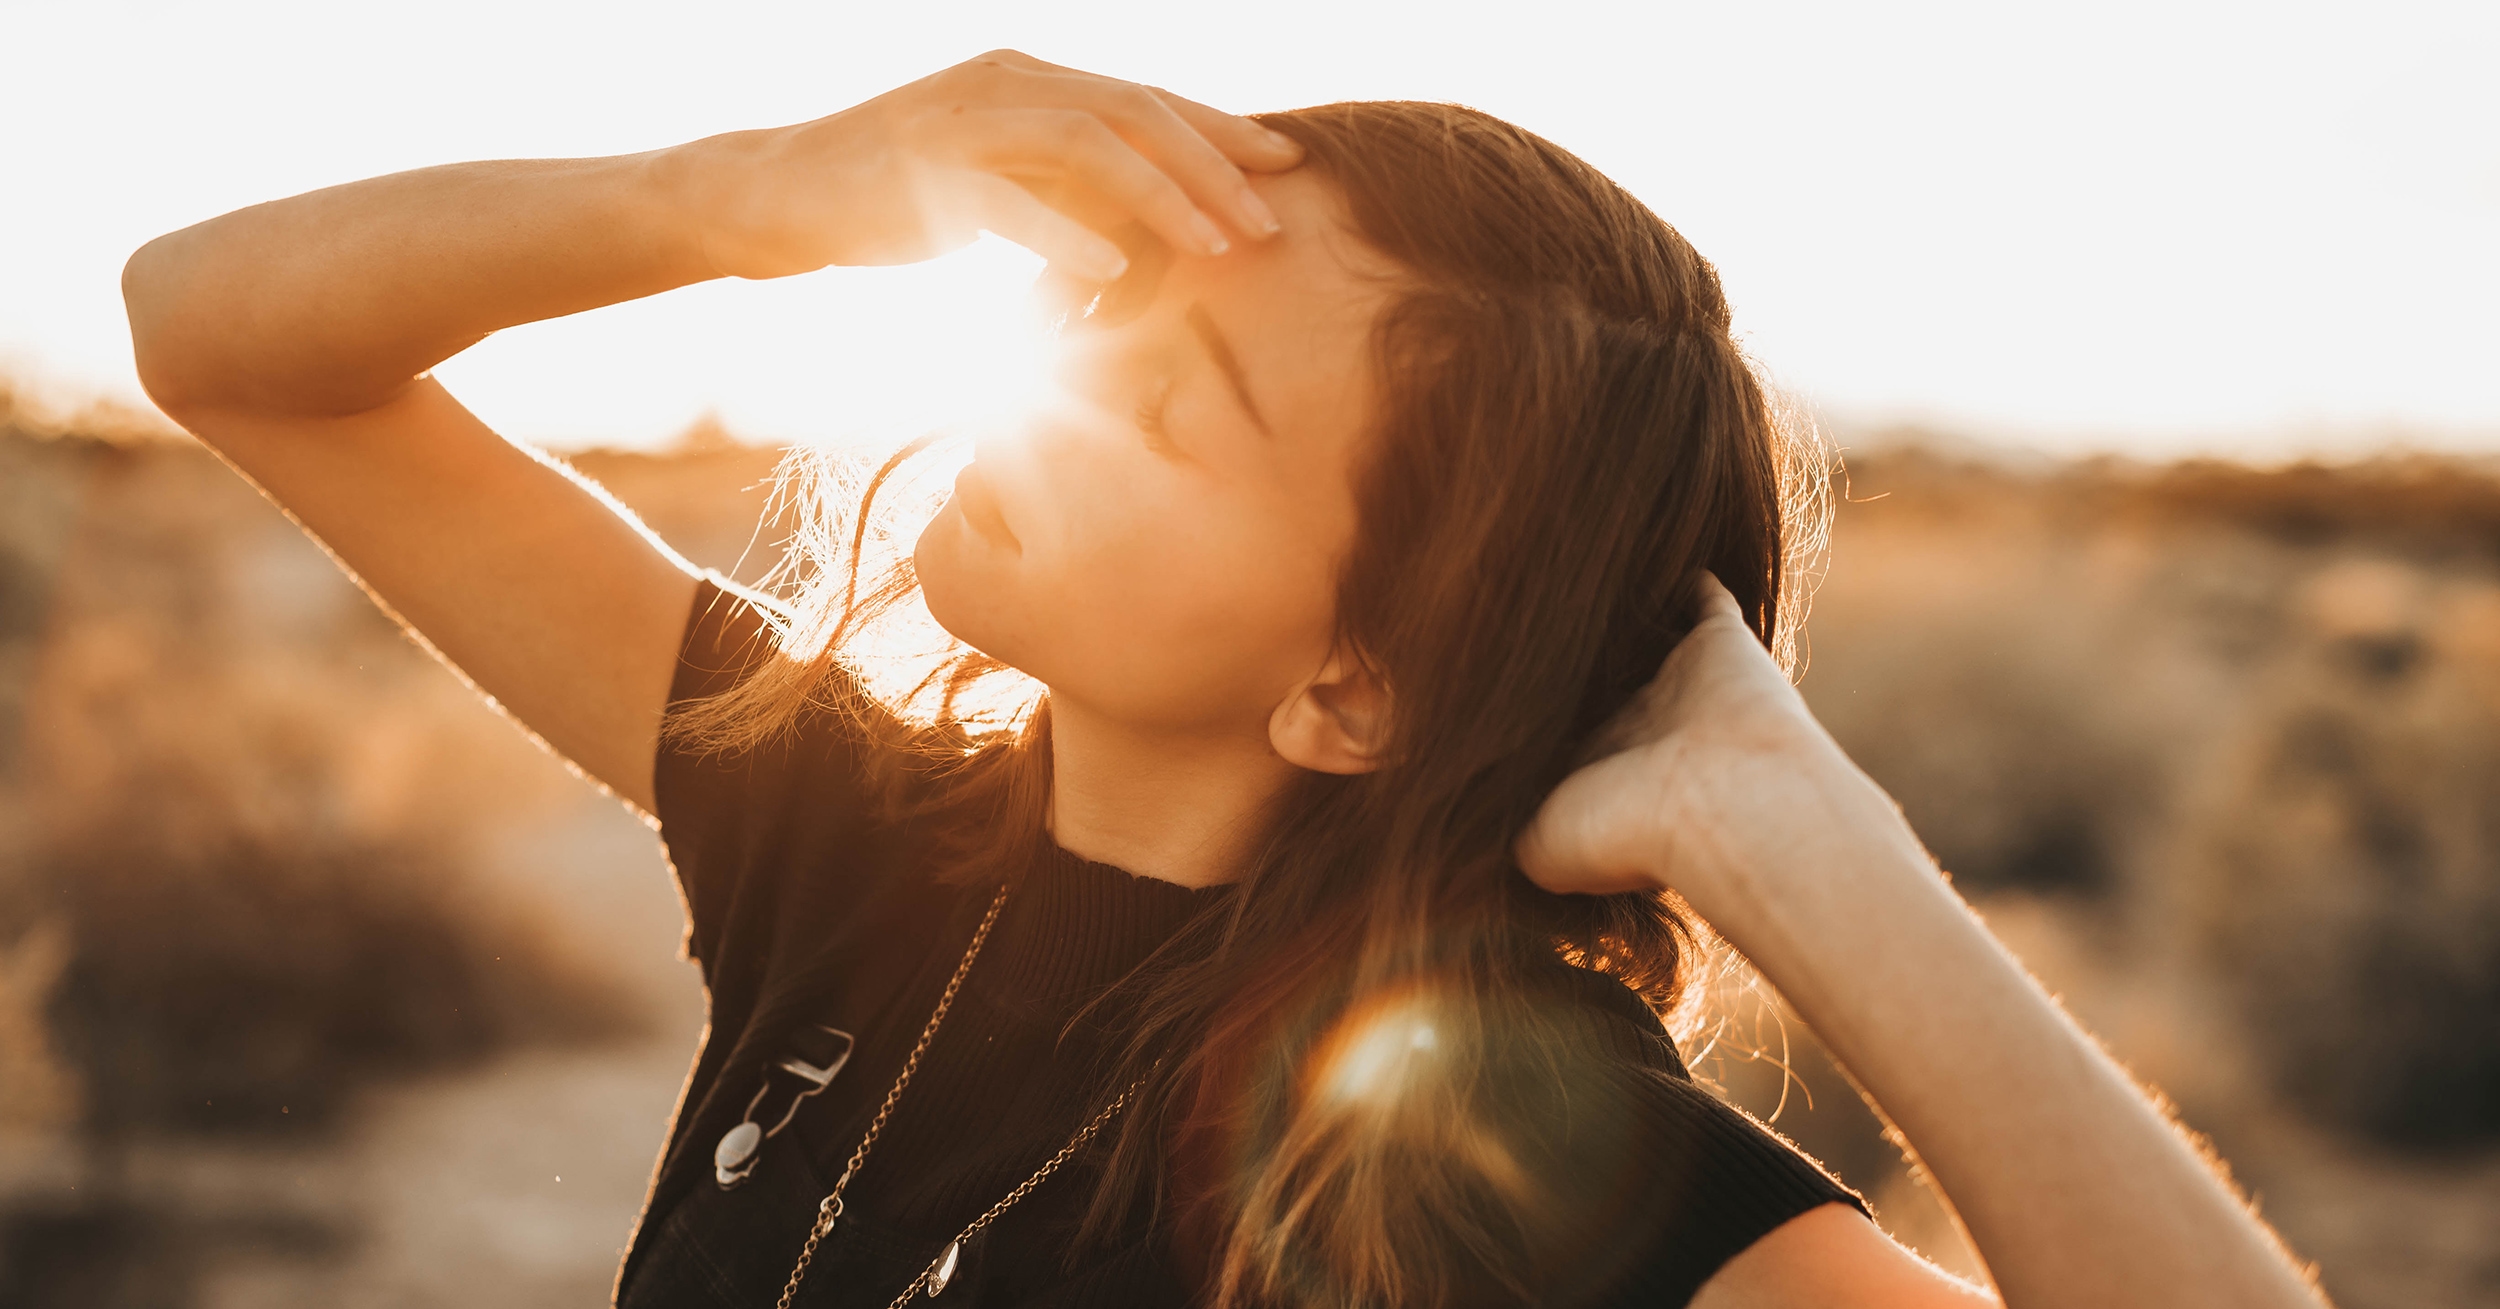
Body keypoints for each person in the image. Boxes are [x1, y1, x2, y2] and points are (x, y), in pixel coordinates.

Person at [122, 50, 2327, 1309]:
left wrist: (1807, 843)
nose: (1054, 389)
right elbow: (220, 336)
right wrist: (756, 188)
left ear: (1351, 692)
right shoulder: (833, 825)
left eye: (1170, 412)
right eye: (1100, 310)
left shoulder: (1507, 1147)